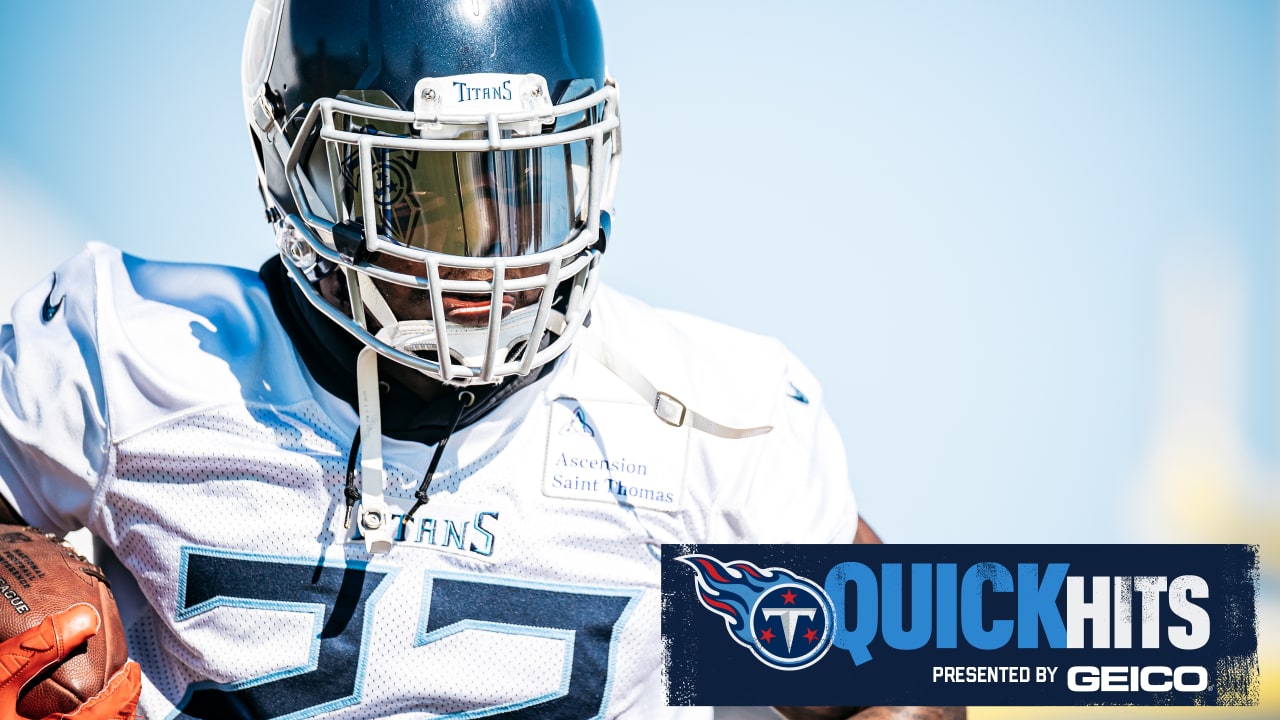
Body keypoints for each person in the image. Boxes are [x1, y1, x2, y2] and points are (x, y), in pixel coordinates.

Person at [0, 1, 962, 718]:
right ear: (300, 169)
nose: (494, 245)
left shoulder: (700, 423)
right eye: (427, 187)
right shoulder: (128, 357)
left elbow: (891, 687)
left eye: (526, 177)